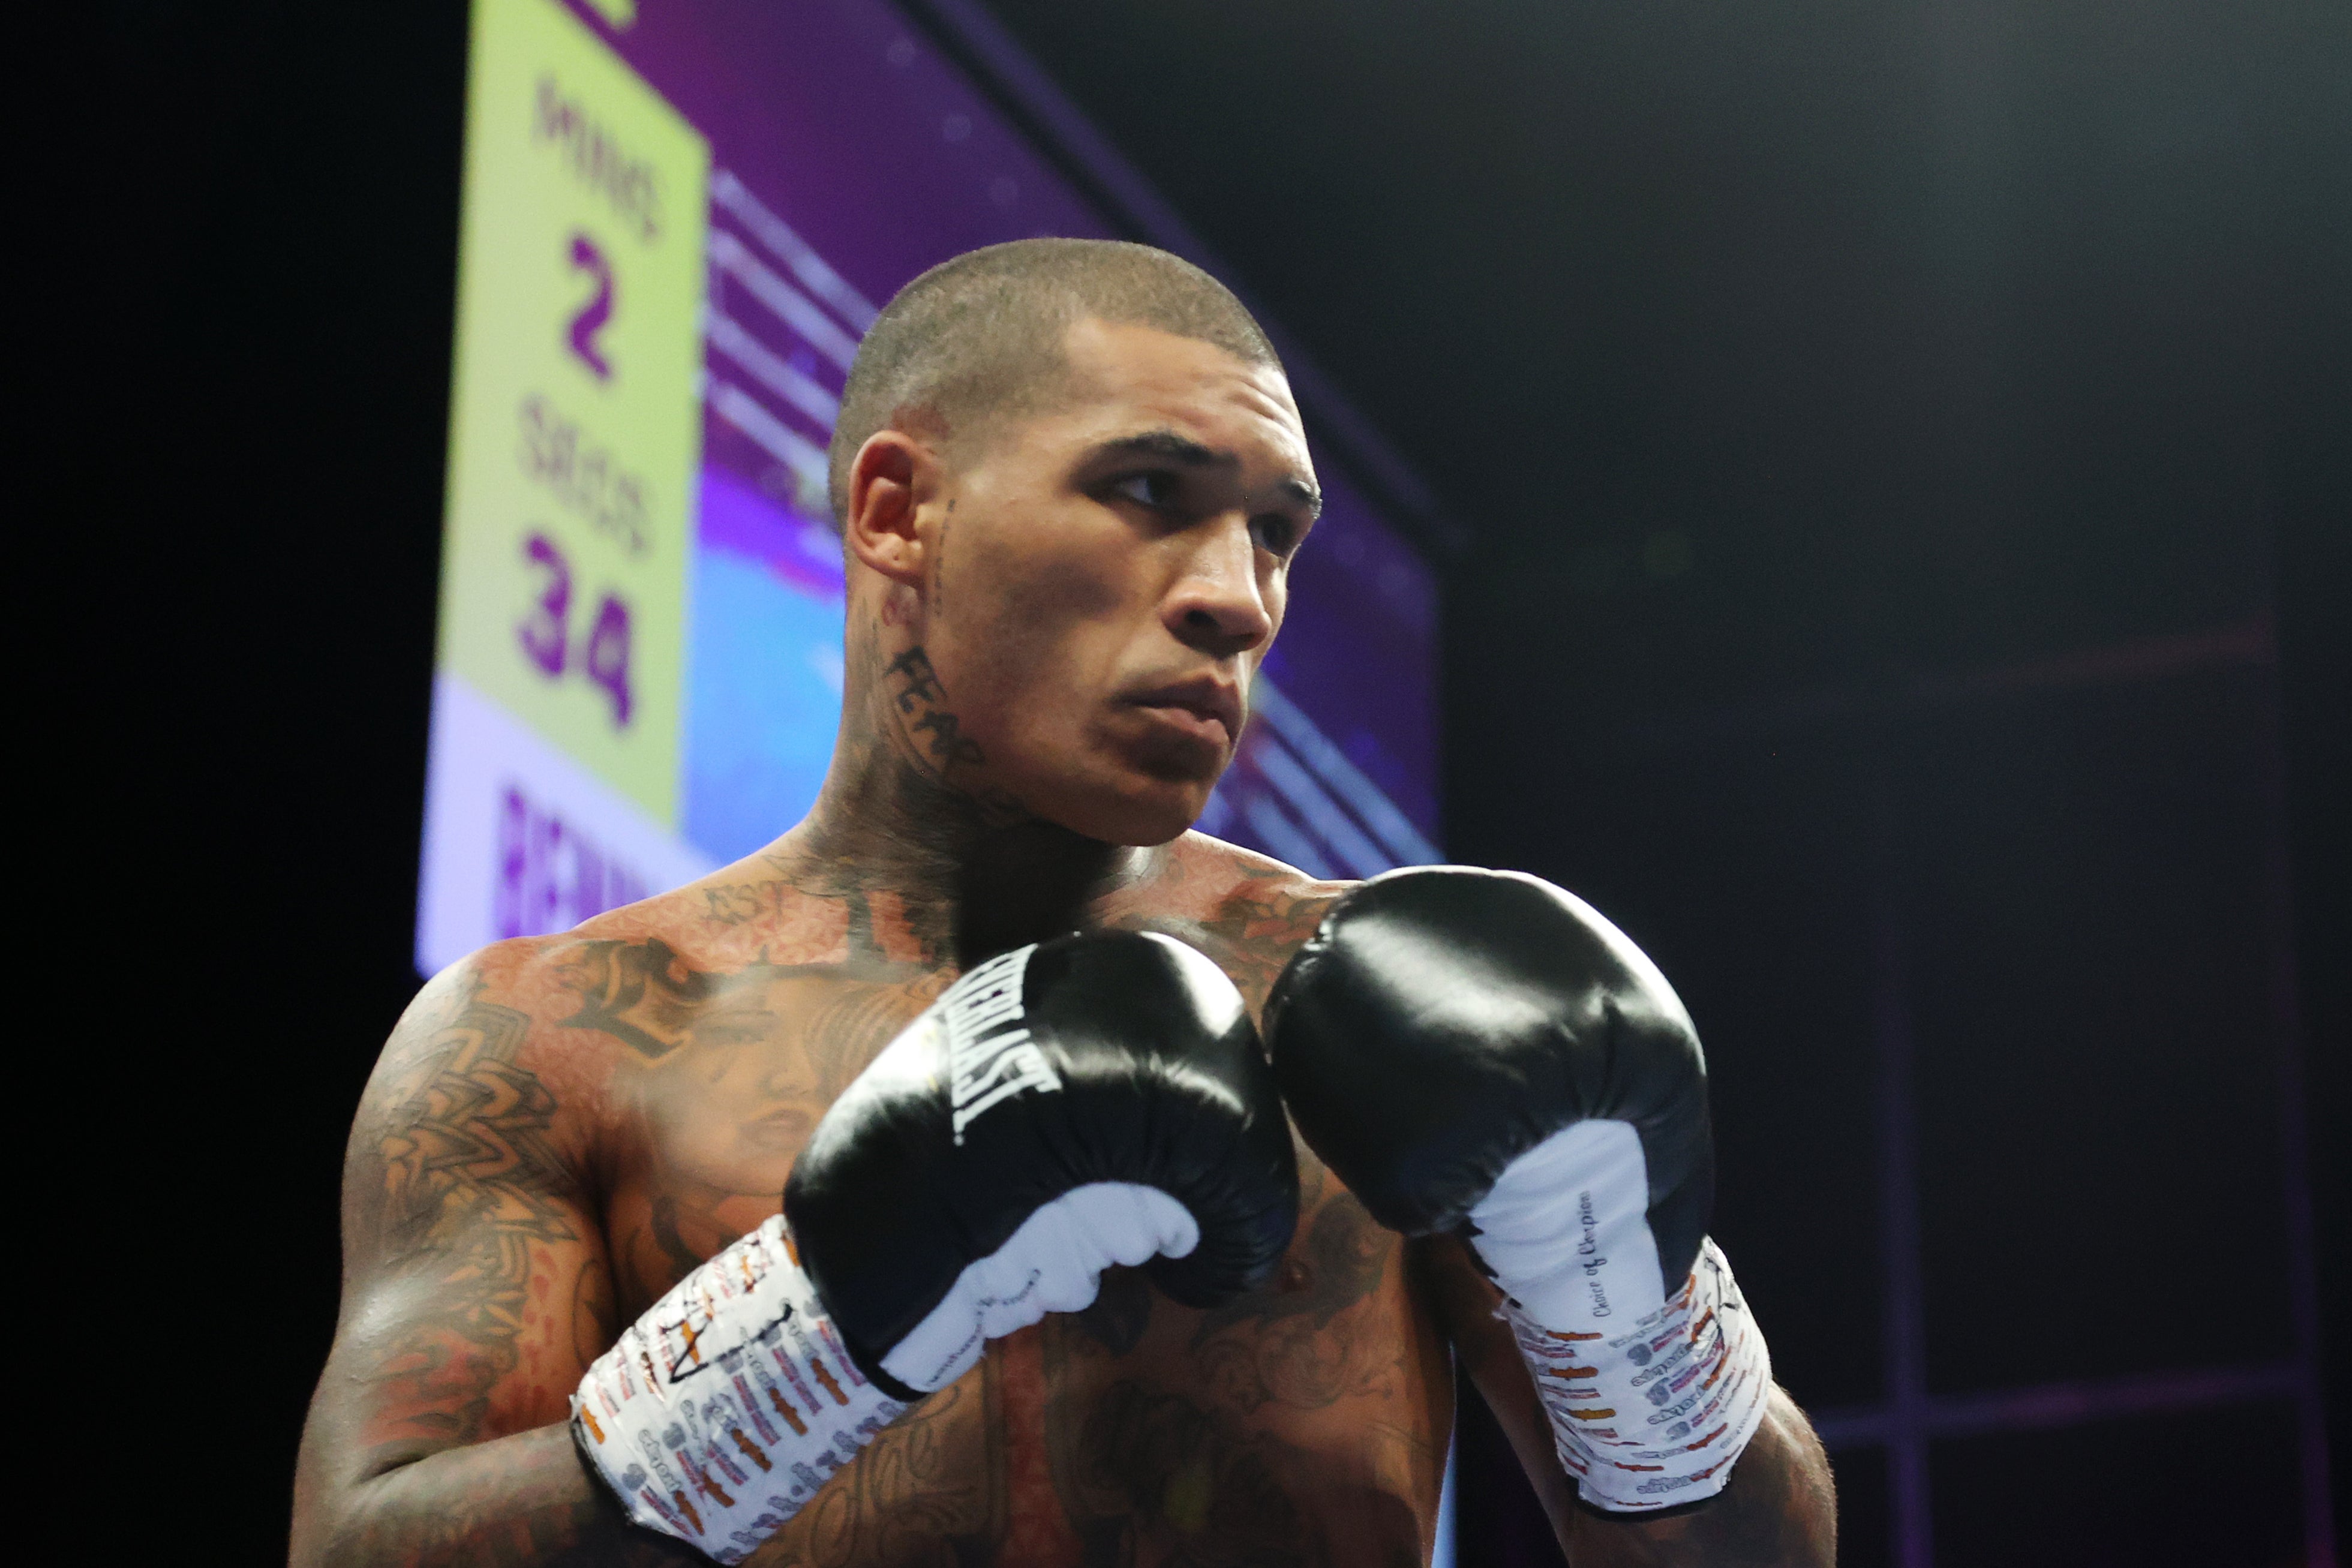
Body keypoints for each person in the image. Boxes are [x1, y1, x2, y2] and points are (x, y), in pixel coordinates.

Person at [292, 239, 1837, 1567]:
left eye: (1277, 532)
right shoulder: (561, 1036)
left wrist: (1622, 1290)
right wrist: (814, 1332)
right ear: (899, 511)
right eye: (1151, 490)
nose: (1237, 595)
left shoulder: (1360, 1009)